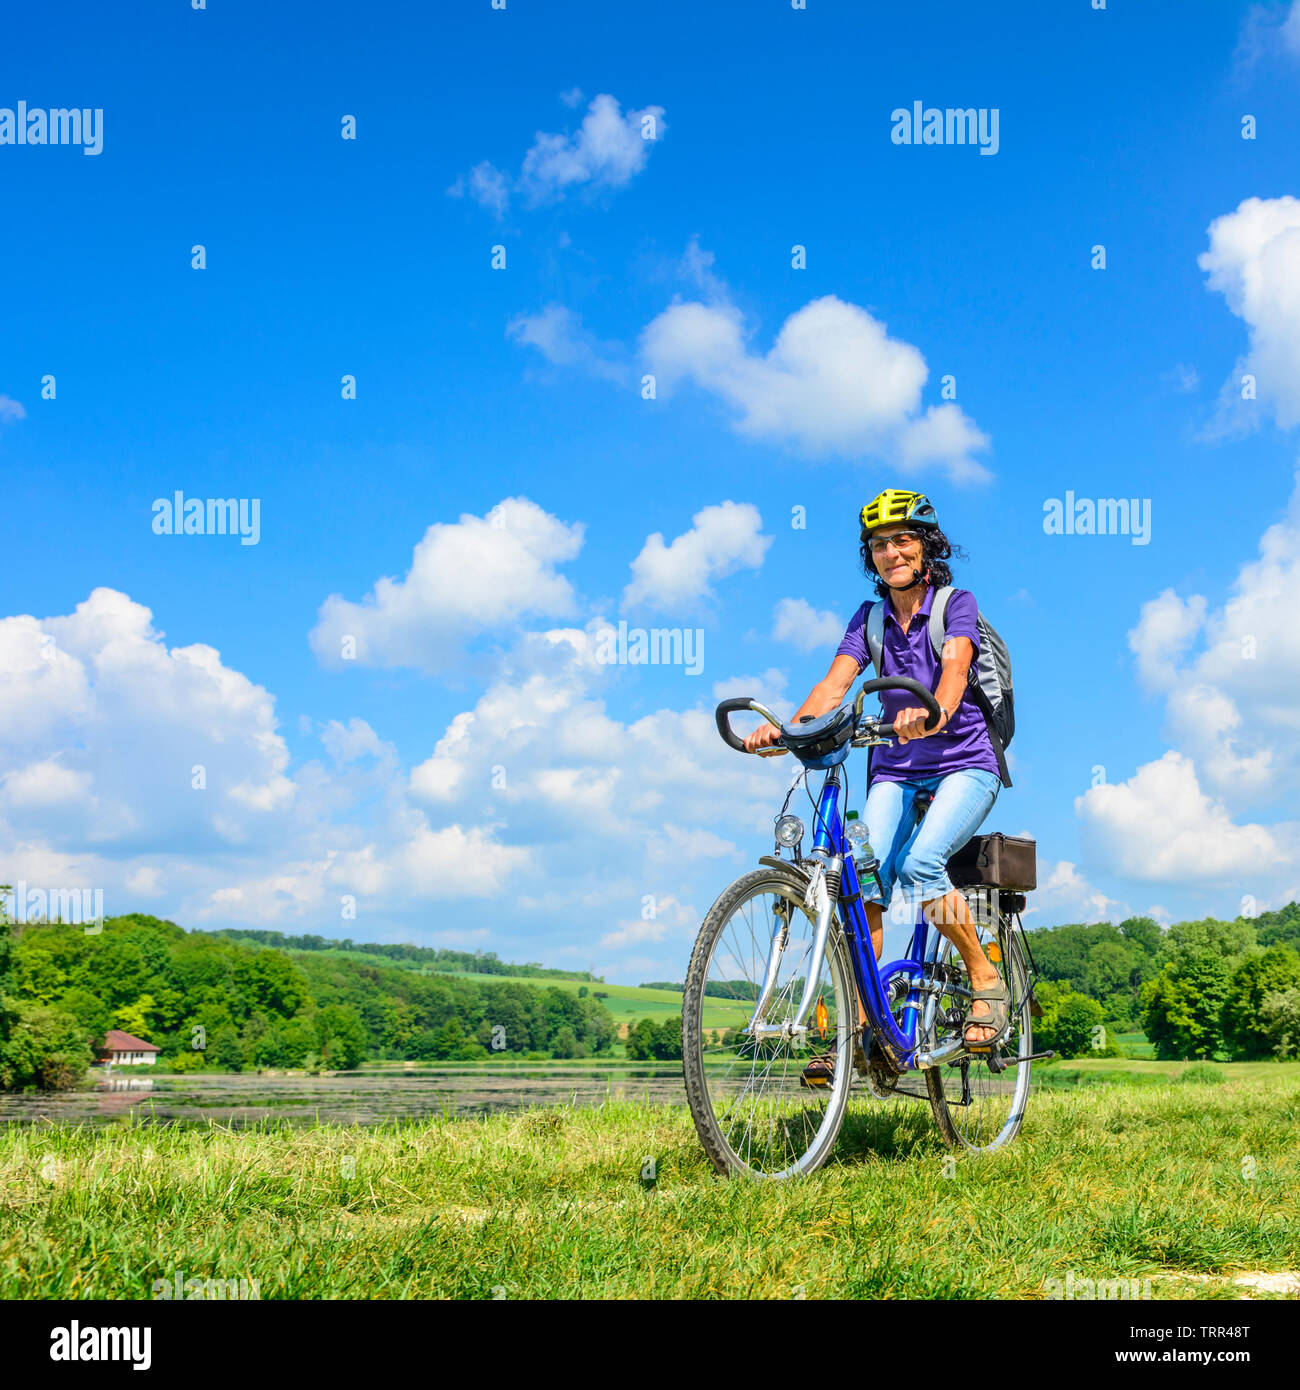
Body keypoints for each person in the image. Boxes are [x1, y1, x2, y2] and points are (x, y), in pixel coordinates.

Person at [744, 488, 1008, 1053]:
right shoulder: (868, 619)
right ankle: (863, 1023)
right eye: (879, 545)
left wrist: (931, 711)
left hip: (964, 762)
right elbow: (834, 685)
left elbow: (956, 671)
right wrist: (787, 728)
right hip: (893, 766)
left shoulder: (954, 603)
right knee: (863, 881)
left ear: (926, 547)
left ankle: (986, 979)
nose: (891, 553)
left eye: (902, 540)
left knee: (920, 867)